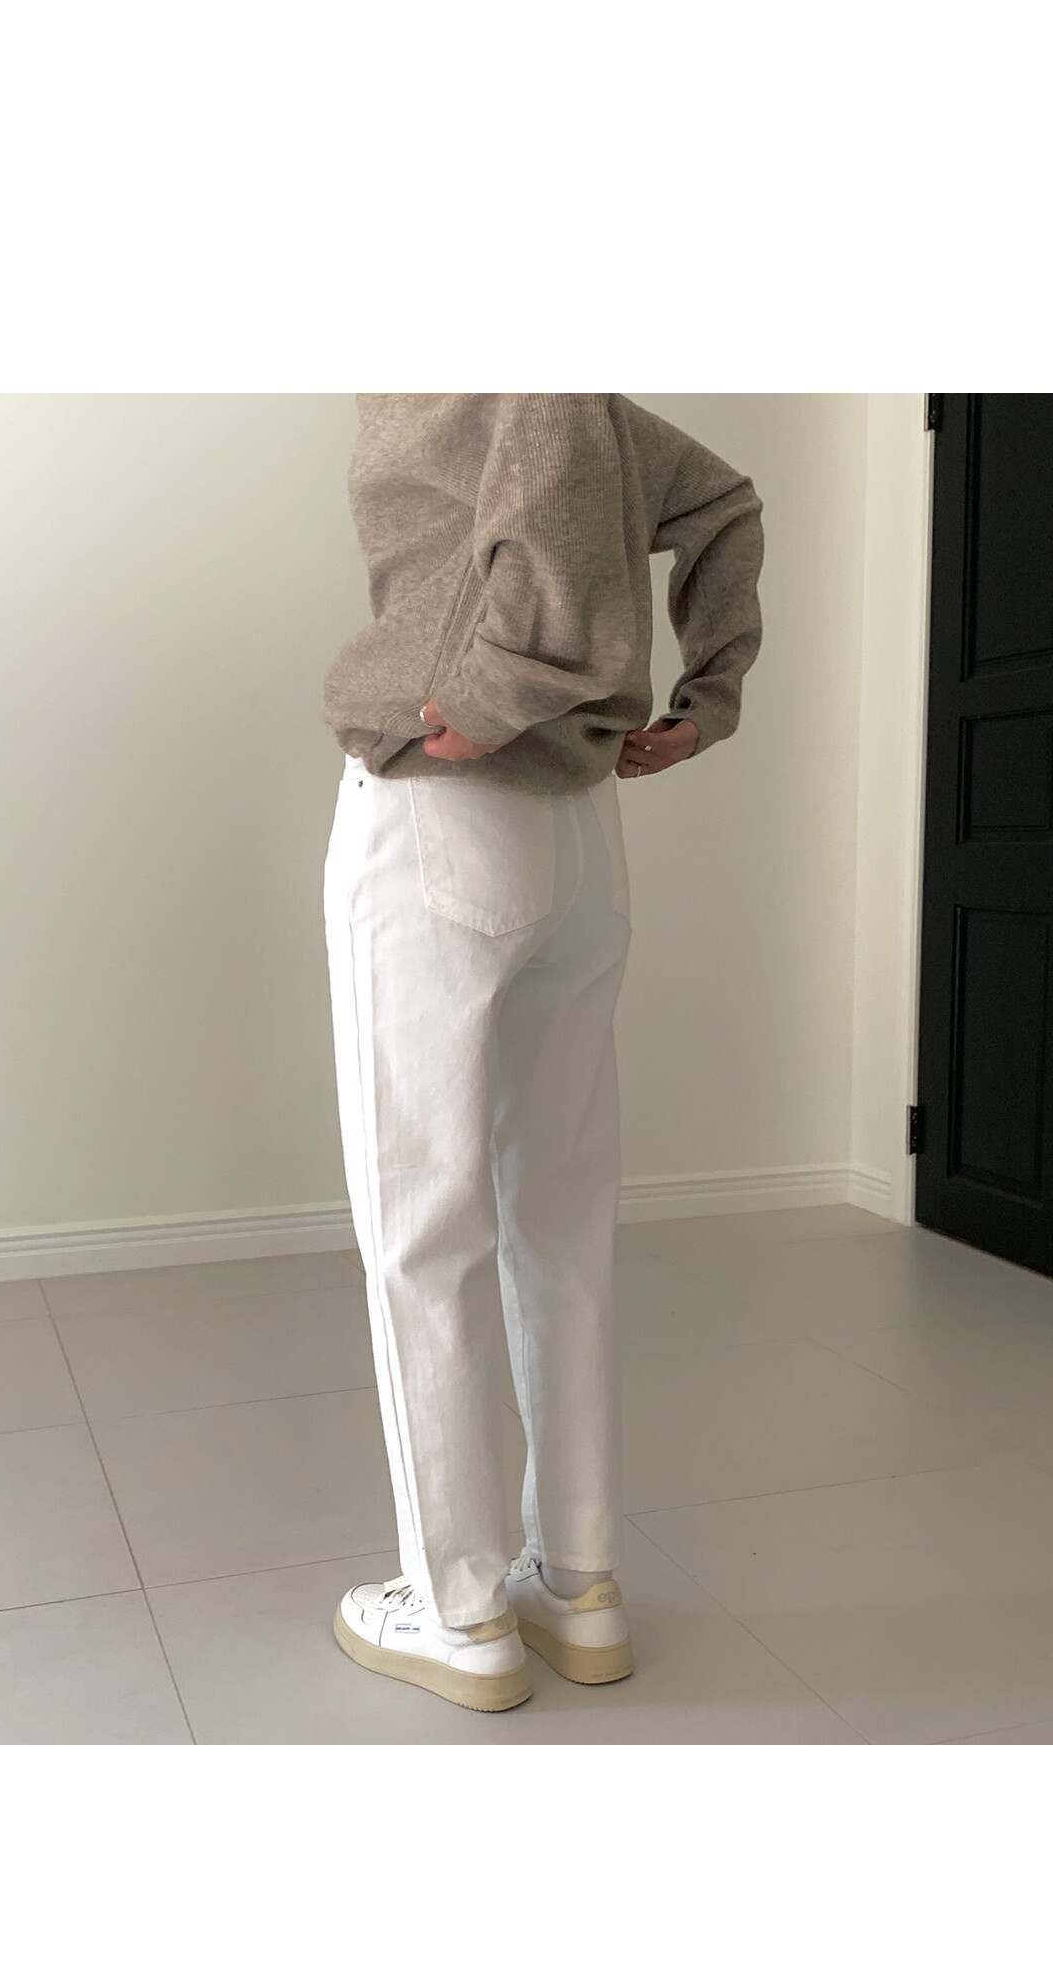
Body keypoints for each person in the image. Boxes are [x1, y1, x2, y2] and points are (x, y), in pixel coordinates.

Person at [323, 388, 764, 1703]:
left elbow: (552, 442)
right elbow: (724, 500)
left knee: (423, 1222)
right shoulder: (597, 407)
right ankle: (580, 1584)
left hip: (445, 808)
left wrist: (489, 692)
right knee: (558, 1216)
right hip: (576, 828)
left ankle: (459, 1613)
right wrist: (708, 692)